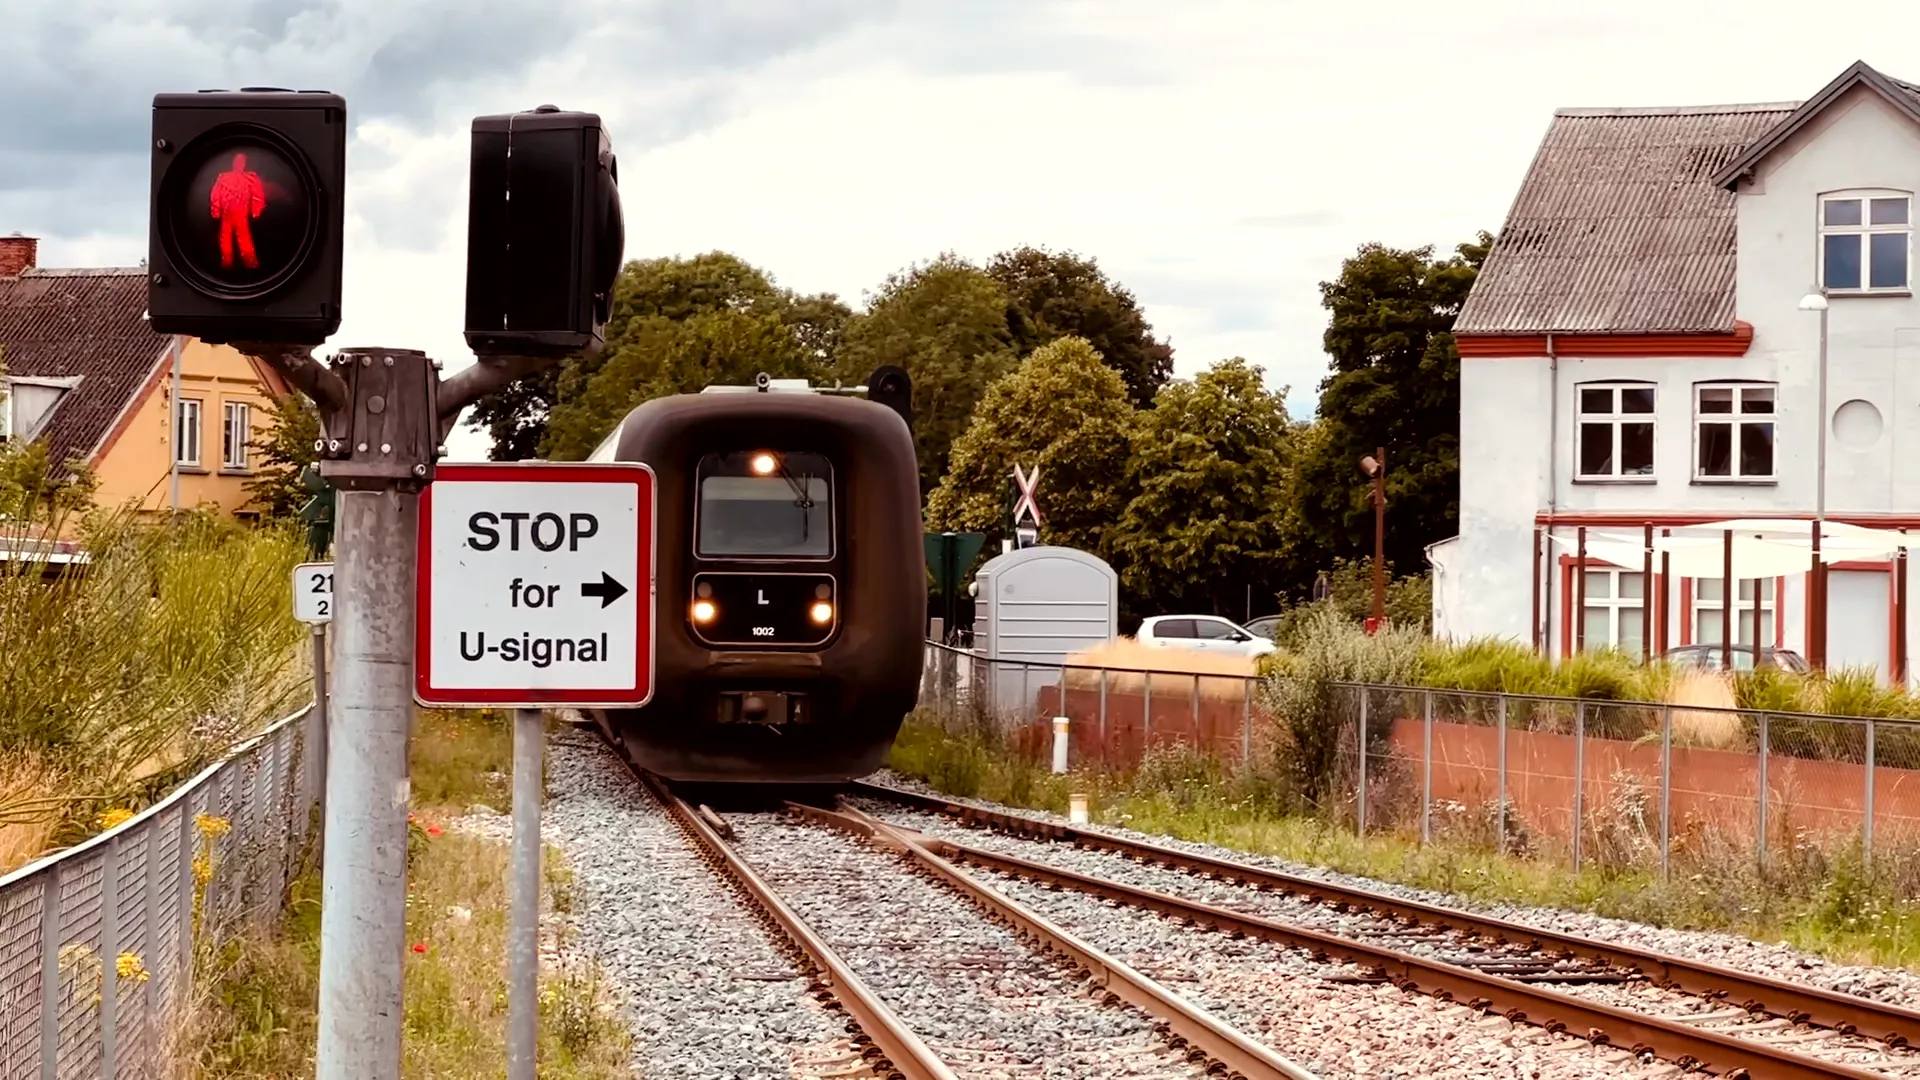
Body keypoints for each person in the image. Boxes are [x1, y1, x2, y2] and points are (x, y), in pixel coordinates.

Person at [209, 152, 267, 270]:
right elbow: (215, 194)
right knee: (225, 236)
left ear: (245, 163)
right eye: (237, 161)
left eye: (241, 161)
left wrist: (256, 210)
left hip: (241, 212)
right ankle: (227, 260)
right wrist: (216, 210)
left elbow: (258, 194)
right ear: (233, 162)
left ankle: (249, 260)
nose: (239, 163)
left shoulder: (250, 177)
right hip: (227, 212)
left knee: (244, 235)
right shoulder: (223, 177)